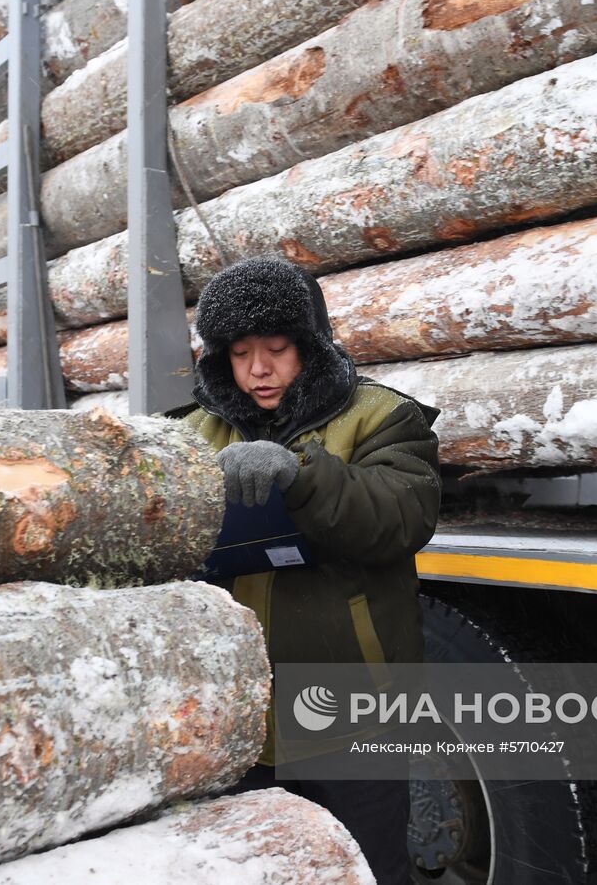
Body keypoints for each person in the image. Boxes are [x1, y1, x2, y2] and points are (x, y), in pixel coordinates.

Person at [171, 256, 441, 883]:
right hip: (239, 715)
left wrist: (303, 474)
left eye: (277, 348)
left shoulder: (381, 416)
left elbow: (401, 516)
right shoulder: (190, 433)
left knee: (369, 867)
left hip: (353, 712)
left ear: (311, 347)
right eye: (240, 353)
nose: (259, 370)